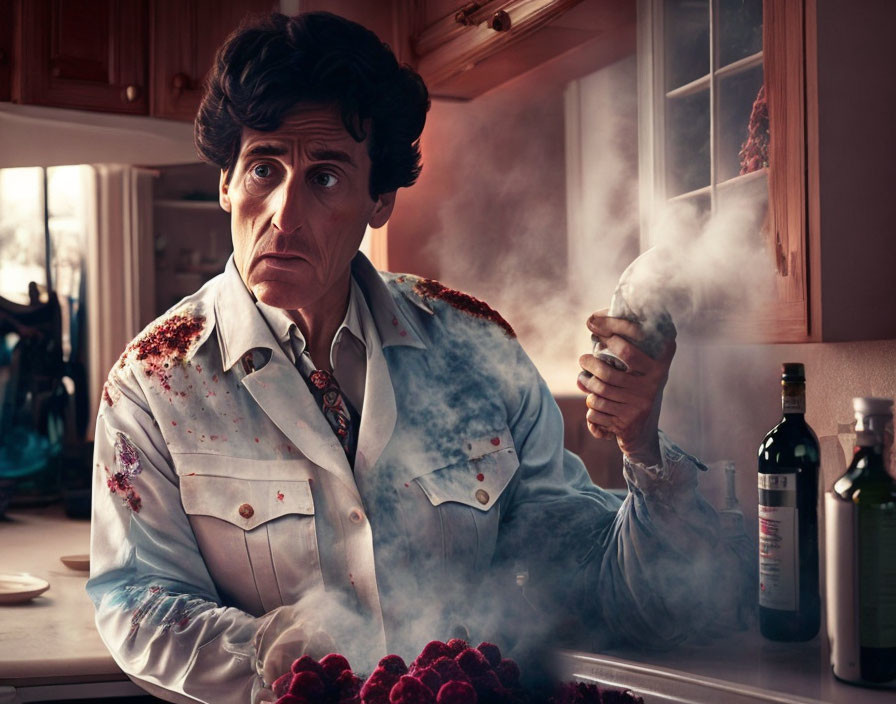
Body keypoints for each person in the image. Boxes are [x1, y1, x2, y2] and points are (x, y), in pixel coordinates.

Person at [87, 11, 751, 704]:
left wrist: (643, 447)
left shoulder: (477, 350)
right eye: (263, 168)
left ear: (380, 200)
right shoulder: (155, 378)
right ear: (226, 182)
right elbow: (133, 599)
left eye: (326, 178)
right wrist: (261, 649)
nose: (283, 214)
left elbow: (617, 594)